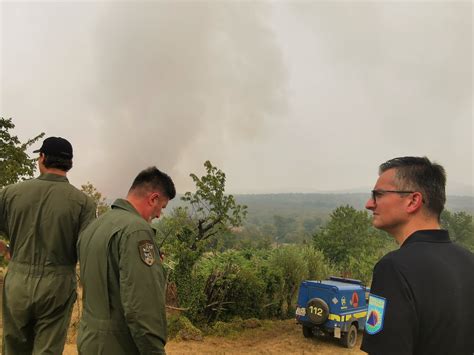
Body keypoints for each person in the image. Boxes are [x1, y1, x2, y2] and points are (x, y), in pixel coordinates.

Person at [361, 156, 474, 355]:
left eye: (378, 194)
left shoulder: (394, 268)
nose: (369, 204)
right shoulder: (468, 260)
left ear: (413, 201)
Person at [0, 136, 96, 354]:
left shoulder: (10, 193)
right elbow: (89, 249)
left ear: (42, 158)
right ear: (70, 163)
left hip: (17, 281)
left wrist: (5, 249)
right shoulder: (84, 203)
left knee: (13, 346)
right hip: (58, 284)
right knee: (48, 350)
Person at [77, 166, 176, 355]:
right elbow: (141, 305)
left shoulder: (95, 226)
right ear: (153, 198)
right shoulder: (137, 231)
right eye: (161, 207)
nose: (158, 215)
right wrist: (154, 350)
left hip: (89, 341)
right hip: (120, 345)